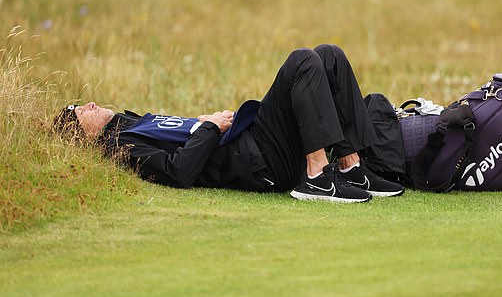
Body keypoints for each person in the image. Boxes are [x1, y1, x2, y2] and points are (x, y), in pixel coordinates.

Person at [53, 44, 404, 203]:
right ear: (81, 133)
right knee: (302, 61)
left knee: (328, 56)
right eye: (80, 110)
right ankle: (316, 179)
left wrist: (210, 124)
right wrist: (209, 125)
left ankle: (350, 166)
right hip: (259, 163)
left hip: (253, 140)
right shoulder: (122, 146)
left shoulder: (130, 122)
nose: (90, 104)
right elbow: (178, 173)